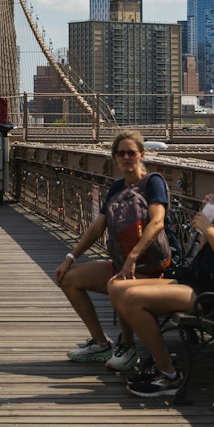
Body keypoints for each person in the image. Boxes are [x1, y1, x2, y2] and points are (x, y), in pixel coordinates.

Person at [107, 150, 214, 398]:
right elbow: (209, 252)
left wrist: (211, 230)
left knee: (132, 299)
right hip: (207, 284)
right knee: (118, 286)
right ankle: (140, 353)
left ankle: (169, 374)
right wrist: (211, 218)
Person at [55, 129, 173, 372]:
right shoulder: (117, 187)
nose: (126, 157)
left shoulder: (153, 182)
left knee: (118, 284)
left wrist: (133, 257)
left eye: (131, 152)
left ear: (141, 154)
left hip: (151, 268)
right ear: (115, 158)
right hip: (122, 265)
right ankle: (100, 343)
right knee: (68, 278)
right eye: (121, 153)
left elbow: (157, 222)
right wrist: (70, 257)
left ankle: (128, 348)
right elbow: (97, 228)